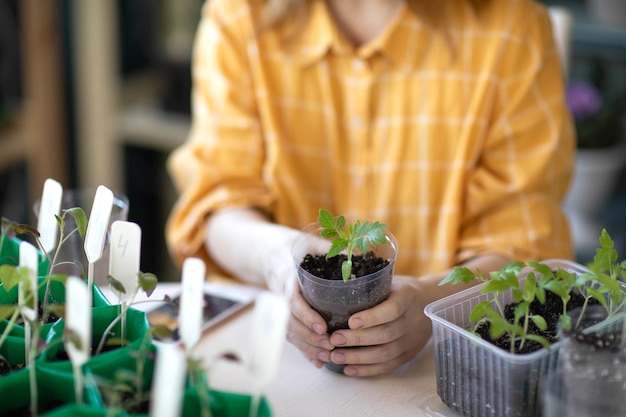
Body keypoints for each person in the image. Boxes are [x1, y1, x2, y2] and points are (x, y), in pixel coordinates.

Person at [166, 0, 575, 377]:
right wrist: (280, 261)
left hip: (443, 371)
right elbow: (219, 207)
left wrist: (432, 304)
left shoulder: (511, 29)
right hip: (274, 362)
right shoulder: (241, 15)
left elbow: (523, 250)